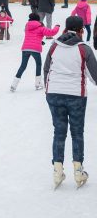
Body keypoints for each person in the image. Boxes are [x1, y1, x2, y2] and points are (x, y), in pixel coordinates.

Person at [44, 16, 97, 189]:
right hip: (76, 95)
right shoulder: (84, 49)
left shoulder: (54, 46)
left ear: (66, 29)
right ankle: (78, 170)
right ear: (81, 30)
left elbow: (46, 69)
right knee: (77, 132)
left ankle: (57, 170)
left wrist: (49, 89)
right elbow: (94, 76)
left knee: (59, 132)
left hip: (54, 94)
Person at [10, 13, 59, 92]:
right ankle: (38, 84)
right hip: (35, 49)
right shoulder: (40, 27)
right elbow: (52, 32)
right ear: (37, 19)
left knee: (23, 66)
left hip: (25, 48)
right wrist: (57, 26)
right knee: (38, 64)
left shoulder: (27, 26)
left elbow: (32, 36)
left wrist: (40, 41)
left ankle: (13, 85)